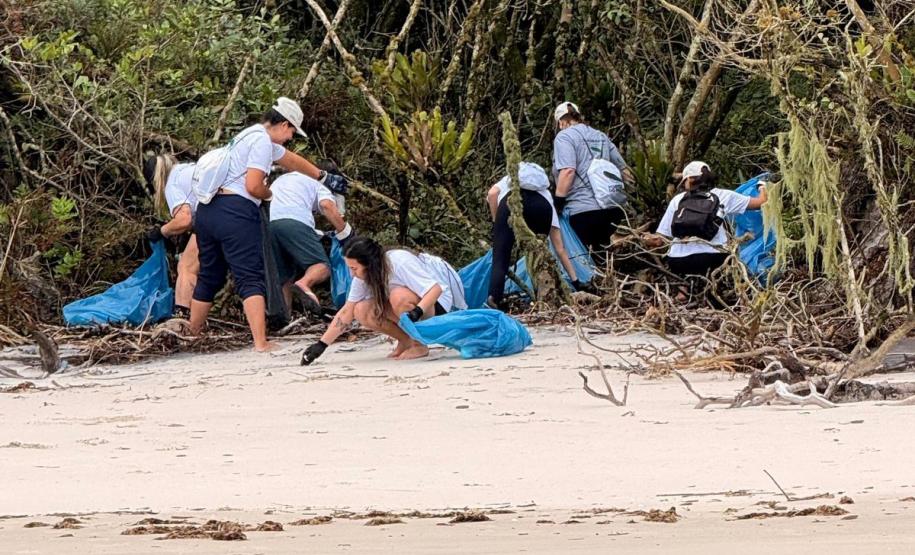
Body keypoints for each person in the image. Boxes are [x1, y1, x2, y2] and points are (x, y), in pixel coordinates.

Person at [190, 97, 349, 352]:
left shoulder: (249, 135)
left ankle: (193, 334)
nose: (290, 138)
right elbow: (253, 185)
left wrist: (323, 176)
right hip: (236, 212)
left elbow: (293, 161)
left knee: (210, 274)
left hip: (207, 212)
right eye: (292, 133)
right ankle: (261, 342)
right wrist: (267, 195)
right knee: (250, 276)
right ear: (284, 124)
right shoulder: (263, 143)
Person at [300, 237, 467, 364]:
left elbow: (434, 290)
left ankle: (419, 344)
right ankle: (406, 340)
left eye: (354, 268)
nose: (352, 274)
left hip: (434, 306)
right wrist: (321, 345)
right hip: (409, 312)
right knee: (360, 309)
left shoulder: (399, 261)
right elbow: (347, 311)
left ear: (369, 264)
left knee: (398, 295)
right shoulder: (362, 277)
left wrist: (417, 312)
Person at [642, 161, 768, 300]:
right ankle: (718, 294)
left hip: (679, 262)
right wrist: (762, 185)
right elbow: (761, 202)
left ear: (689, 179)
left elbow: (659, 240)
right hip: (713, 259)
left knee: (676, 259)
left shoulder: (678, 200)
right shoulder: (723, 195)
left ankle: (682, 292)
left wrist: (644, 239)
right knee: (727, 263)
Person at [485, 162, 598, 310]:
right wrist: (576, 282)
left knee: (500, 256)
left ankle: (494, 298)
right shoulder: (546, 195)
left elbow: (492, 194)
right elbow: (559, 248)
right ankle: (545, 297)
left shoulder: (510, 179)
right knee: (540, 256)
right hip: (540, 209)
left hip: (510, 204)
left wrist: (497, 222)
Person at [551, 101, 633, 265]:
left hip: (582, 211)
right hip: (611, 209)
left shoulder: (564, 137)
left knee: (579, 259)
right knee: (601, 256)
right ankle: (608, 285)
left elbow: (567, 171)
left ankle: (588, 286)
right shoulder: (600, 135)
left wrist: (557, 202)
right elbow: (625, 172)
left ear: (561, 121)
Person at [268, 170, 353, 316]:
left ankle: (284, 318)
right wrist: (346, 233)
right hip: (294, 221)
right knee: (322, 266)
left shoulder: (282, 180)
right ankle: (304, 283)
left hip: (269, 224)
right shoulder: (318, 184)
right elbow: (327, 206)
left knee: (284, 276)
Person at [143, 154, 199, 316]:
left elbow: (184, 219)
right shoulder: (187, 170)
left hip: (215, 215)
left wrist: (162, 231)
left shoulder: (172, 183)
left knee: (186, 267)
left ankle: (182, 316)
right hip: (238, 208)